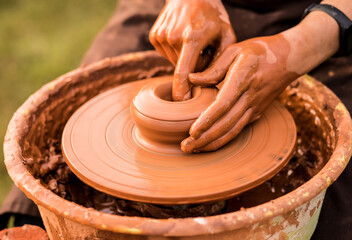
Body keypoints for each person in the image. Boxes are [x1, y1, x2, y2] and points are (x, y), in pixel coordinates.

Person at [1, 0, 351, 239]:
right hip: (191, 9)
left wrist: (305, 44)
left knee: (334, 208)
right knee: (40, 200)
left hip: (327, 25)